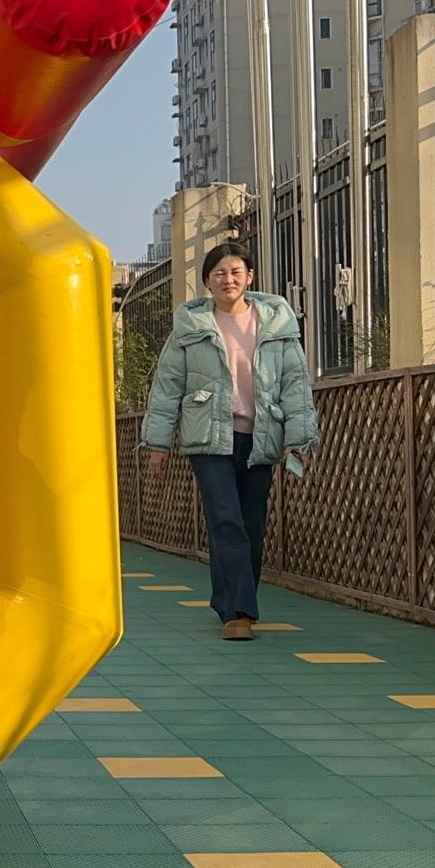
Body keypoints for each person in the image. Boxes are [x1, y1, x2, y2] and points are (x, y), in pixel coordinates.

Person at [140, 242, 319, 641]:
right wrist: (158, 443)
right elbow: (168, 386)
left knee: (251, 525)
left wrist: (299, 439)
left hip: (261, 436)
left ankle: (230, 600)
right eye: (219, 273)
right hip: (208, 438)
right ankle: (239, 613)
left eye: (236, 271)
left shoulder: (277, 325)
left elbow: (295, 385)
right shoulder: (190, 327)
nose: (228, 279)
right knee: (226, 519)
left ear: (249, 276)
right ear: (207, 282)